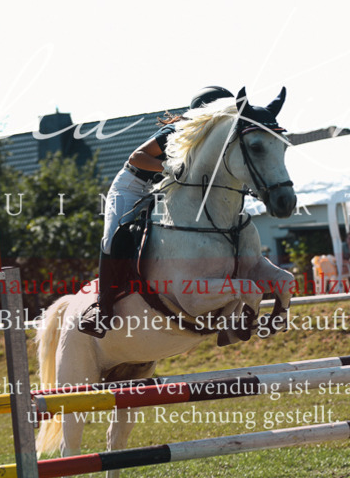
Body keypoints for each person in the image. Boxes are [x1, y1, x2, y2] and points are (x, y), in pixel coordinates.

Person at [78, 86, 234, 337]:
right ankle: (102, 307)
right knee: (113, 238)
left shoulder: (217, 140)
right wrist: (173, 168)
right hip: (133, 185)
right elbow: (137, 157)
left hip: (166, 188)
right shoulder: (176, 131)